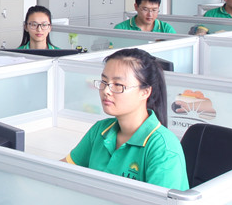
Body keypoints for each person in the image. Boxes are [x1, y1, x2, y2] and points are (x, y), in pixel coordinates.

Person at [64, 48, 188, 189]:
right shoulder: (100, 130)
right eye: (104, 81)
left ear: (145, 92)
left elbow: (159, 203)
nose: (106, 91)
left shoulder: (163, 148)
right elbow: (61, 172)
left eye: (118, 85)